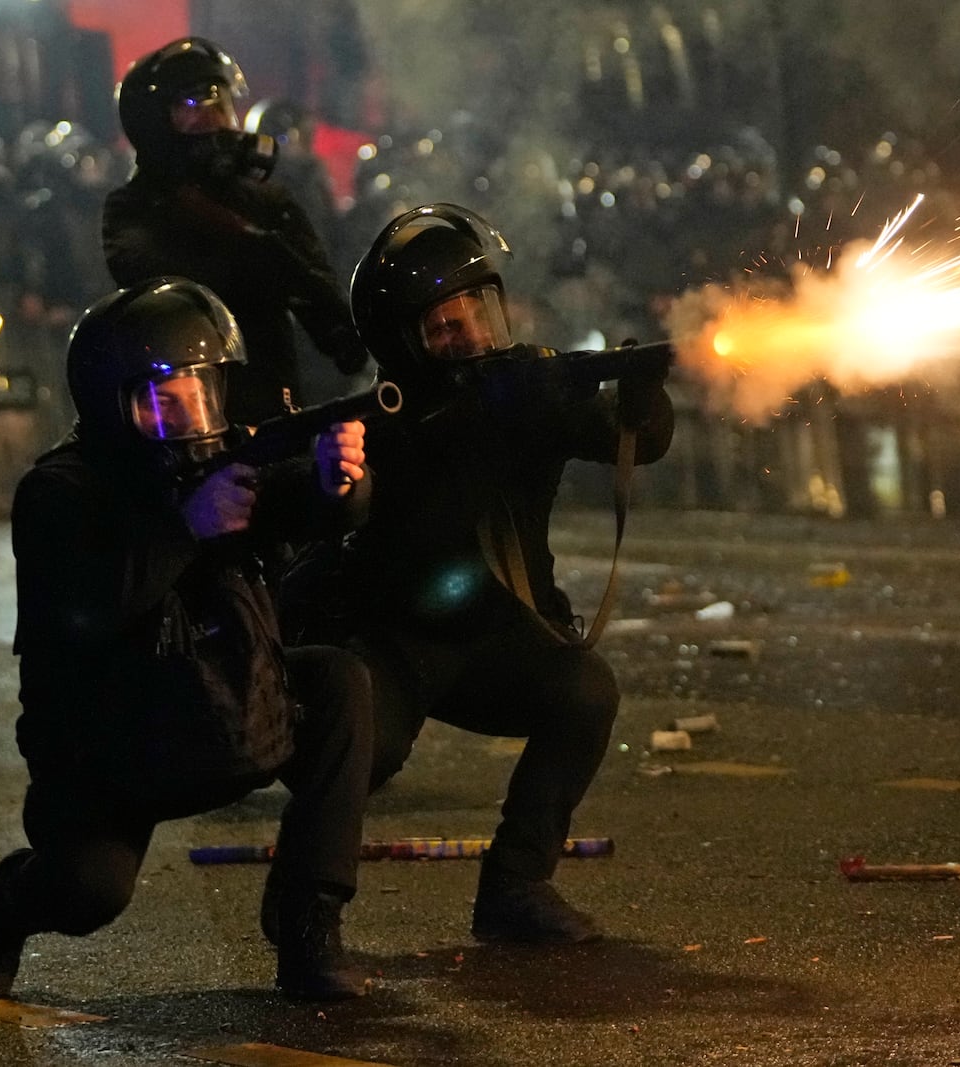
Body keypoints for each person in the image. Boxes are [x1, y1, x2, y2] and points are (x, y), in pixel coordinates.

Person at [0, 278, 375, 1002]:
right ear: (114, 404)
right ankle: (10, 906)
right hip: (113, 747)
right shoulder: (59, 491)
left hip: (221, 706)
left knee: (338, 684)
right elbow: (84, 611)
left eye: (199, 392)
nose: (191, 415)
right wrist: (184, 528)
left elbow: (294, 502)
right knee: (90, 891)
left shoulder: (210, 463)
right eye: (164, 399)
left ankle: (310, 924)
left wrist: (341, 483)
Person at [278, 204, 674, 943]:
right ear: (405, 343)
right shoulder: (384, 418)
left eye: (479, 313)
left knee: (584, 690)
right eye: (444, 327)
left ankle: (517, 886)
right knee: (357, 744)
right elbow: (334, 502)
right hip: (394, 644)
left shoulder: (523, 390)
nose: (471, 336)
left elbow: (634, 439)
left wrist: (640, 388)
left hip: (495, 635)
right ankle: (307, 914)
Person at [103, 38, 369, 425]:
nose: (219, 122)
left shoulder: (265, 198)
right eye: (196, 107)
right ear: (155, 122)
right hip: (185, 414)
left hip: (275, 400)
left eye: (223, 105)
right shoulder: (133, 207)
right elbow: (160, 288)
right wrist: (251, 248)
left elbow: (326, 307)